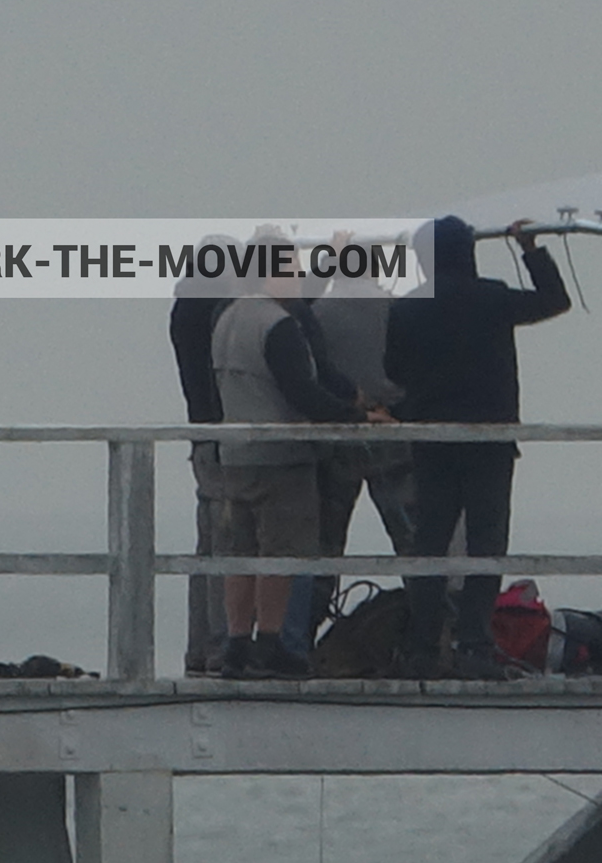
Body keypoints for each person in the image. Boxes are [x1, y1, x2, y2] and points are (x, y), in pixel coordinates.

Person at [385, 216, 571, 679]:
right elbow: (555, 301)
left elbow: (393, 370)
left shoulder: (408, 308)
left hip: (432, 441)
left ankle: (424, 645)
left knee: (430, 544)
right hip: (489, 440)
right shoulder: (491, 297)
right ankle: (474, 642)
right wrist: (531, 250)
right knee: (486, 544)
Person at [209, 242, 391, 679]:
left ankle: (237, 643)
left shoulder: (227, 318)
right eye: (290, 269)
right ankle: (272, 646)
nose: (298, 278)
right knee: (282, 553)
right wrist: (356, 416)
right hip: (281, 457)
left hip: (235, 453)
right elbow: (303, 392)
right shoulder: (279, 324)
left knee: (242, 553)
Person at [287, 257, 416, 646]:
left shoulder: (318, 314)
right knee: (413, 540)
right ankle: (434, 630)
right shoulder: (398, 310)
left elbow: (310, 371)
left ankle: (301, 641)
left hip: (335, 436)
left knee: (324, 544)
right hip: (393, 432)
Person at [168, 234, 238, 676]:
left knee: (207, 546)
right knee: (226, 543)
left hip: (202, 436)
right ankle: (219, 644)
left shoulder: (183, 309)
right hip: (225, 437)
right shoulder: (218, 310)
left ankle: (200, 647)